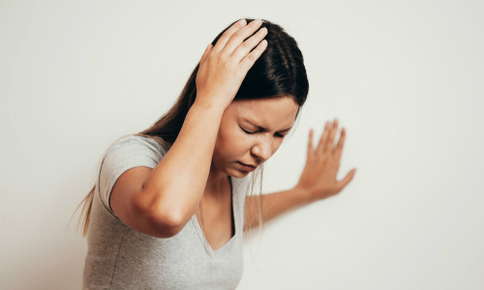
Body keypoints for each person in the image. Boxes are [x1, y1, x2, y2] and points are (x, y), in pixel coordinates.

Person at [74, 17, 356, 289]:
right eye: (250, 128)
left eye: (280, 134)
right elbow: (167, 215)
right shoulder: (130, 156)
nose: (265, 151)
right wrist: (208, 100)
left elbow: (235, 213)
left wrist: (304, 191)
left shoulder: (230, 175)